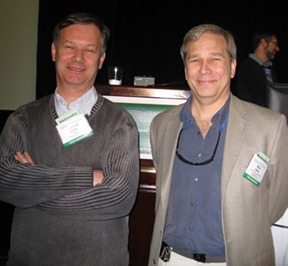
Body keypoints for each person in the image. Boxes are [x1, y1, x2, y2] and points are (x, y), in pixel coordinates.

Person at [0, 12, 139, 266]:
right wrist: (87, 177)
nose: (78, 58)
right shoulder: (23, 118)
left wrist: (34, 185)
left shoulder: (121, 122)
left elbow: (119, 198)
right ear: (54, 51)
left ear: (101, 59)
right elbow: (5, 182)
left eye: (89, 50)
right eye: (69, 47)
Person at [148, 24, 288, 266]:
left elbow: (274, 205)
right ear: (185, 70)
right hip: (170, 259)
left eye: (215, 58)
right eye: (195, 60)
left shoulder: (270, 127)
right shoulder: (161, 125)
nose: (204, 69)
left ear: (232, 66)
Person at [237, 32, 280, 106]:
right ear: (263, 42)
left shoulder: (269, 69)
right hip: (252, 115)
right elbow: (264, 92)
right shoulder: (249, 66)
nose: (277, 49)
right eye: (275, 44)